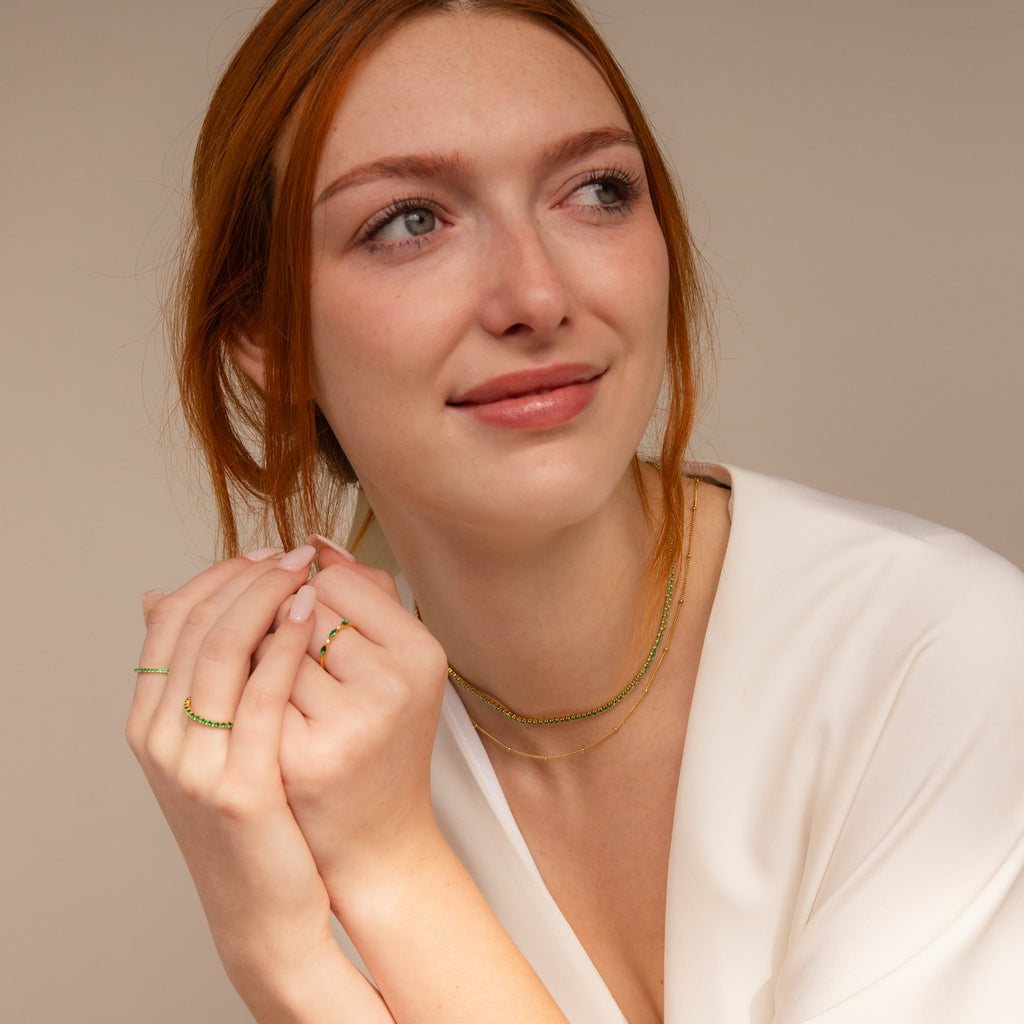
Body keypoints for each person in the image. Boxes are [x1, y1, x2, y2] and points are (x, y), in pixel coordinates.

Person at [126, 1, 1024, 1022]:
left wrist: (317, 927)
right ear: (264, 332)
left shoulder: (940, 657)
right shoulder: (303, 724)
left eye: (595, 189)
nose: (537, 294)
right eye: (409, 220)